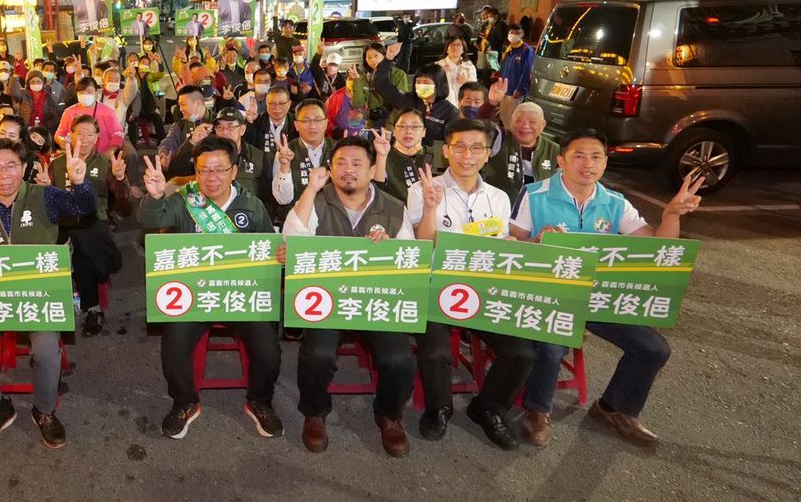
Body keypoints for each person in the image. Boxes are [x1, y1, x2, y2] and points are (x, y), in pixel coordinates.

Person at [509, 129, 702, 448]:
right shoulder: (535, 194)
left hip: (599, 298)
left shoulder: (615, 203)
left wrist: (671, 214)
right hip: (549, 295)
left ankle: (614, 408)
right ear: (561, 161)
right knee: (553, 347)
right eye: (579, 156)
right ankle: (537, 410)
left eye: (596, 157)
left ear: (605, 162)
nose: (588, 164)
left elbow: (659, 247)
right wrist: (536, 242)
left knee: (653, 348)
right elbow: (511, 245)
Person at [0, 139, 99, 450]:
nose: (3, 174)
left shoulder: (45, 196)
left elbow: (84, 207)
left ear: (24, 168)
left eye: (11, 166)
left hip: (38, 298)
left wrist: (80, 181)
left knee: (46, 350)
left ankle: (44, 411)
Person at [282, 136, 417, 456]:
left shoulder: (393, 208)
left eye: (357, 164)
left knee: (399, 357)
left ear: (372, 170)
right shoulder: (316, 199)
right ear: (329, 169)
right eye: (340, 163)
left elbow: (410, 262)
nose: (348, 170)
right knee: (317, 354)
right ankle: (315, 412)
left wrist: (390, 251)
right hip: (327, 302)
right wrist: (310, 190)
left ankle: (390, 415)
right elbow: (292, 242)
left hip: (374, 301)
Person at [139, 138, 283, 440]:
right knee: (174, 342)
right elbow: (151, 219)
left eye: (219, 169)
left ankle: (259, 400)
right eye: (203, 170)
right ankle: (185, 402)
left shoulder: (252, 205)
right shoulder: (185, 199)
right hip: (195, 296)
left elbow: (269, 249)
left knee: (268, 347)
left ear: (234, 171)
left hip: (241, 295)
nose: (211, 177)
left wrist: (280, 256)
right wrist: (154, 196)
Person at [405, 118, 535, 450]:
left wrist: (512, 246)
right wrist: (431, 208)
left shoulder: (498, 198)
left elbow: (499, 247)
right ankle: (439, 408)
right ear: (446, 150)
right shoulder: (423, 189)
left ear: (488, 153)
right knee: (436, 352)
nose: (467, 155)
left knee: (522, 350)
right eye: (459, 147)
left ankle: (488, 408)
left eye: (477, 148)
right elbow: (422, 247)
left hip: (485, 289)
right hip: (435, 287)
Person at [49, 116, 130, 336]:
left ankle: (92, 308)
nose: (84, 139)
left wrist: (120, 179)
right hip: (62, 222)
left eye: (89, 135)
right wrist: (45, 188)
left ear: (97, 138)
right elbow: (45, 201)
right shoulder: (57, 164)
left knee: (83, 249)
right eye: (79, 134)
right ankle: (52, 306)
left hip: (93, 221)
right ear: (70, 136)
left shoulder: (106, 163)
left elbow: (125, 206)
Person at [166, 107, 269, 199]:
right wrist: (192, 142)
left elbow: (268, 198)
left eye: (230, 127)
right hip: (209, 211)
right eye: (219, 127)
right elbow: (176, 170)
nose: (224, 131)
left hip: (245, 211)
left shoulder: (258, 157)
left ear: (242, 130)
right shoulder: (205, 155)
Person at [483, 95, 558, 202]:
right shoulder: (499, 138)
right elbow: (479, 127)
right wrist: (491, 104)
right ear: (511, 122)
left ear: (543, 124)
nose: (525, 126)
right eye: (519, 121)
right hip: (498, 205)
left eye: (532, 122)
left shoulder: (554, 150)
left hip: (536, 208)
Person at [373, 58, 460, 149]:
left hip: (432, 154)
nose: (421, 85)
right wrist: (388, 59)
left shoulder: (450, 112)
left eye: (426, 82)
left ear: (438, 84)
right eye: (418, 82)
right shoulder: (407, 100)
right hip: (402, 152)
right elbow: (380, 84)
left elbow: (454, 141)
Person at [271, 99, 333, 220]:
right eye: (305, 121)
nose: (312, 126)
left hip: (329, 222)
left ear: (326, 123)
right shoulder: (285, 152)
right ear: (296, 125)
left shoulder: (338, 151)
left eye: (318, 120)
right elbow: (282, 200)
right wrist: (285, 166)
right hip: (296, 222)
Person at [54, 76, 125, 153]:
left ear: (96, 92)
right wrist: (61, 140)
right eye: (81, 92)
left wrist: (109, 152)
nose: (85, 95)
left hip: (101, 155)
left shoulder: (108, 112)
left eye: (89, 92)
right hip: (75, 155)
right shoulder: (69, 112)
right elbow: (59, 133)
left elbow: (118, 134)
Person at [373, 109, 429, 203]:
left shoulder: (433, 156)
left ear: (424, 132)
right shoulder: (383, 155)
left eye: (415, 126)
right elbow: (377, 191)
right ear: (394, 131)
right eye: (402, 126)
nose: (408, 131)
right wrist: (381, 156)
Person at [350, 43, 408, 130]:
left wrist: (390, 124)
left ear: (384, 56)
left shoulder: (398, 75)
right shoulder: (364, 78)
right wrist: (356, 80)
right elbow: (358, 104)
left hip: (393, 121)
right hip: (372, 121)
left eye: (376, 56)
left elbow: (401, 103)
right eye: (369, 57)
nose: (372, 60)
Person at [158, 84, 214, 163]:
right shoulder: (181, 125)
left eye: (183, 105)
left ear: (197, 103)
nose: (180, 109)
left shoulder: (217, 122)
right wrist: (164, 155)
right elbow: (168, 141)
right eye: (179, 106)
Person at [498, 23, 536, 127]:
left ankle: (512, 135)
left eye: (517, 33)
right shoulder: (508, 49)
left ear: (522, 35)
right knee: (503, 116)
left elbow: (527, 71)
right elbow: (503, 67)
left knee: (513, 118)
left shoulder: (526, 50)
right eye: (511, 33)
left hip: (515, 90)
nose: (513, 35)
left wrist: (520, 89)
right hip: (504, 89)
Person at [247, 84, 296, 154]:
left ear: (289, 104)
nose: (277, 108)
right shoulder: (257, 121)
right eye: (272, 104)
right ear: (266, 103)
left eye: (282, 104)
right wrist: (249, 123)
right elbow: (246, 147)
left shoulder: (297, 123)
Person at [436, 36, 477, 108]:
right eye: (452, 45)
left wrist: (466, 82)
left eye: (459, 45)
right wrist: (441, 74)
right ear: (447, 49)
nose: (455, 47)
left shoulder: (469, 66)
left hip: (464, 105)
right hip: (445, 106)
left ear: (463, 50)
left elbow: (476, 87)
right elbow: (433, 86)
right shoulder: (439, 65)